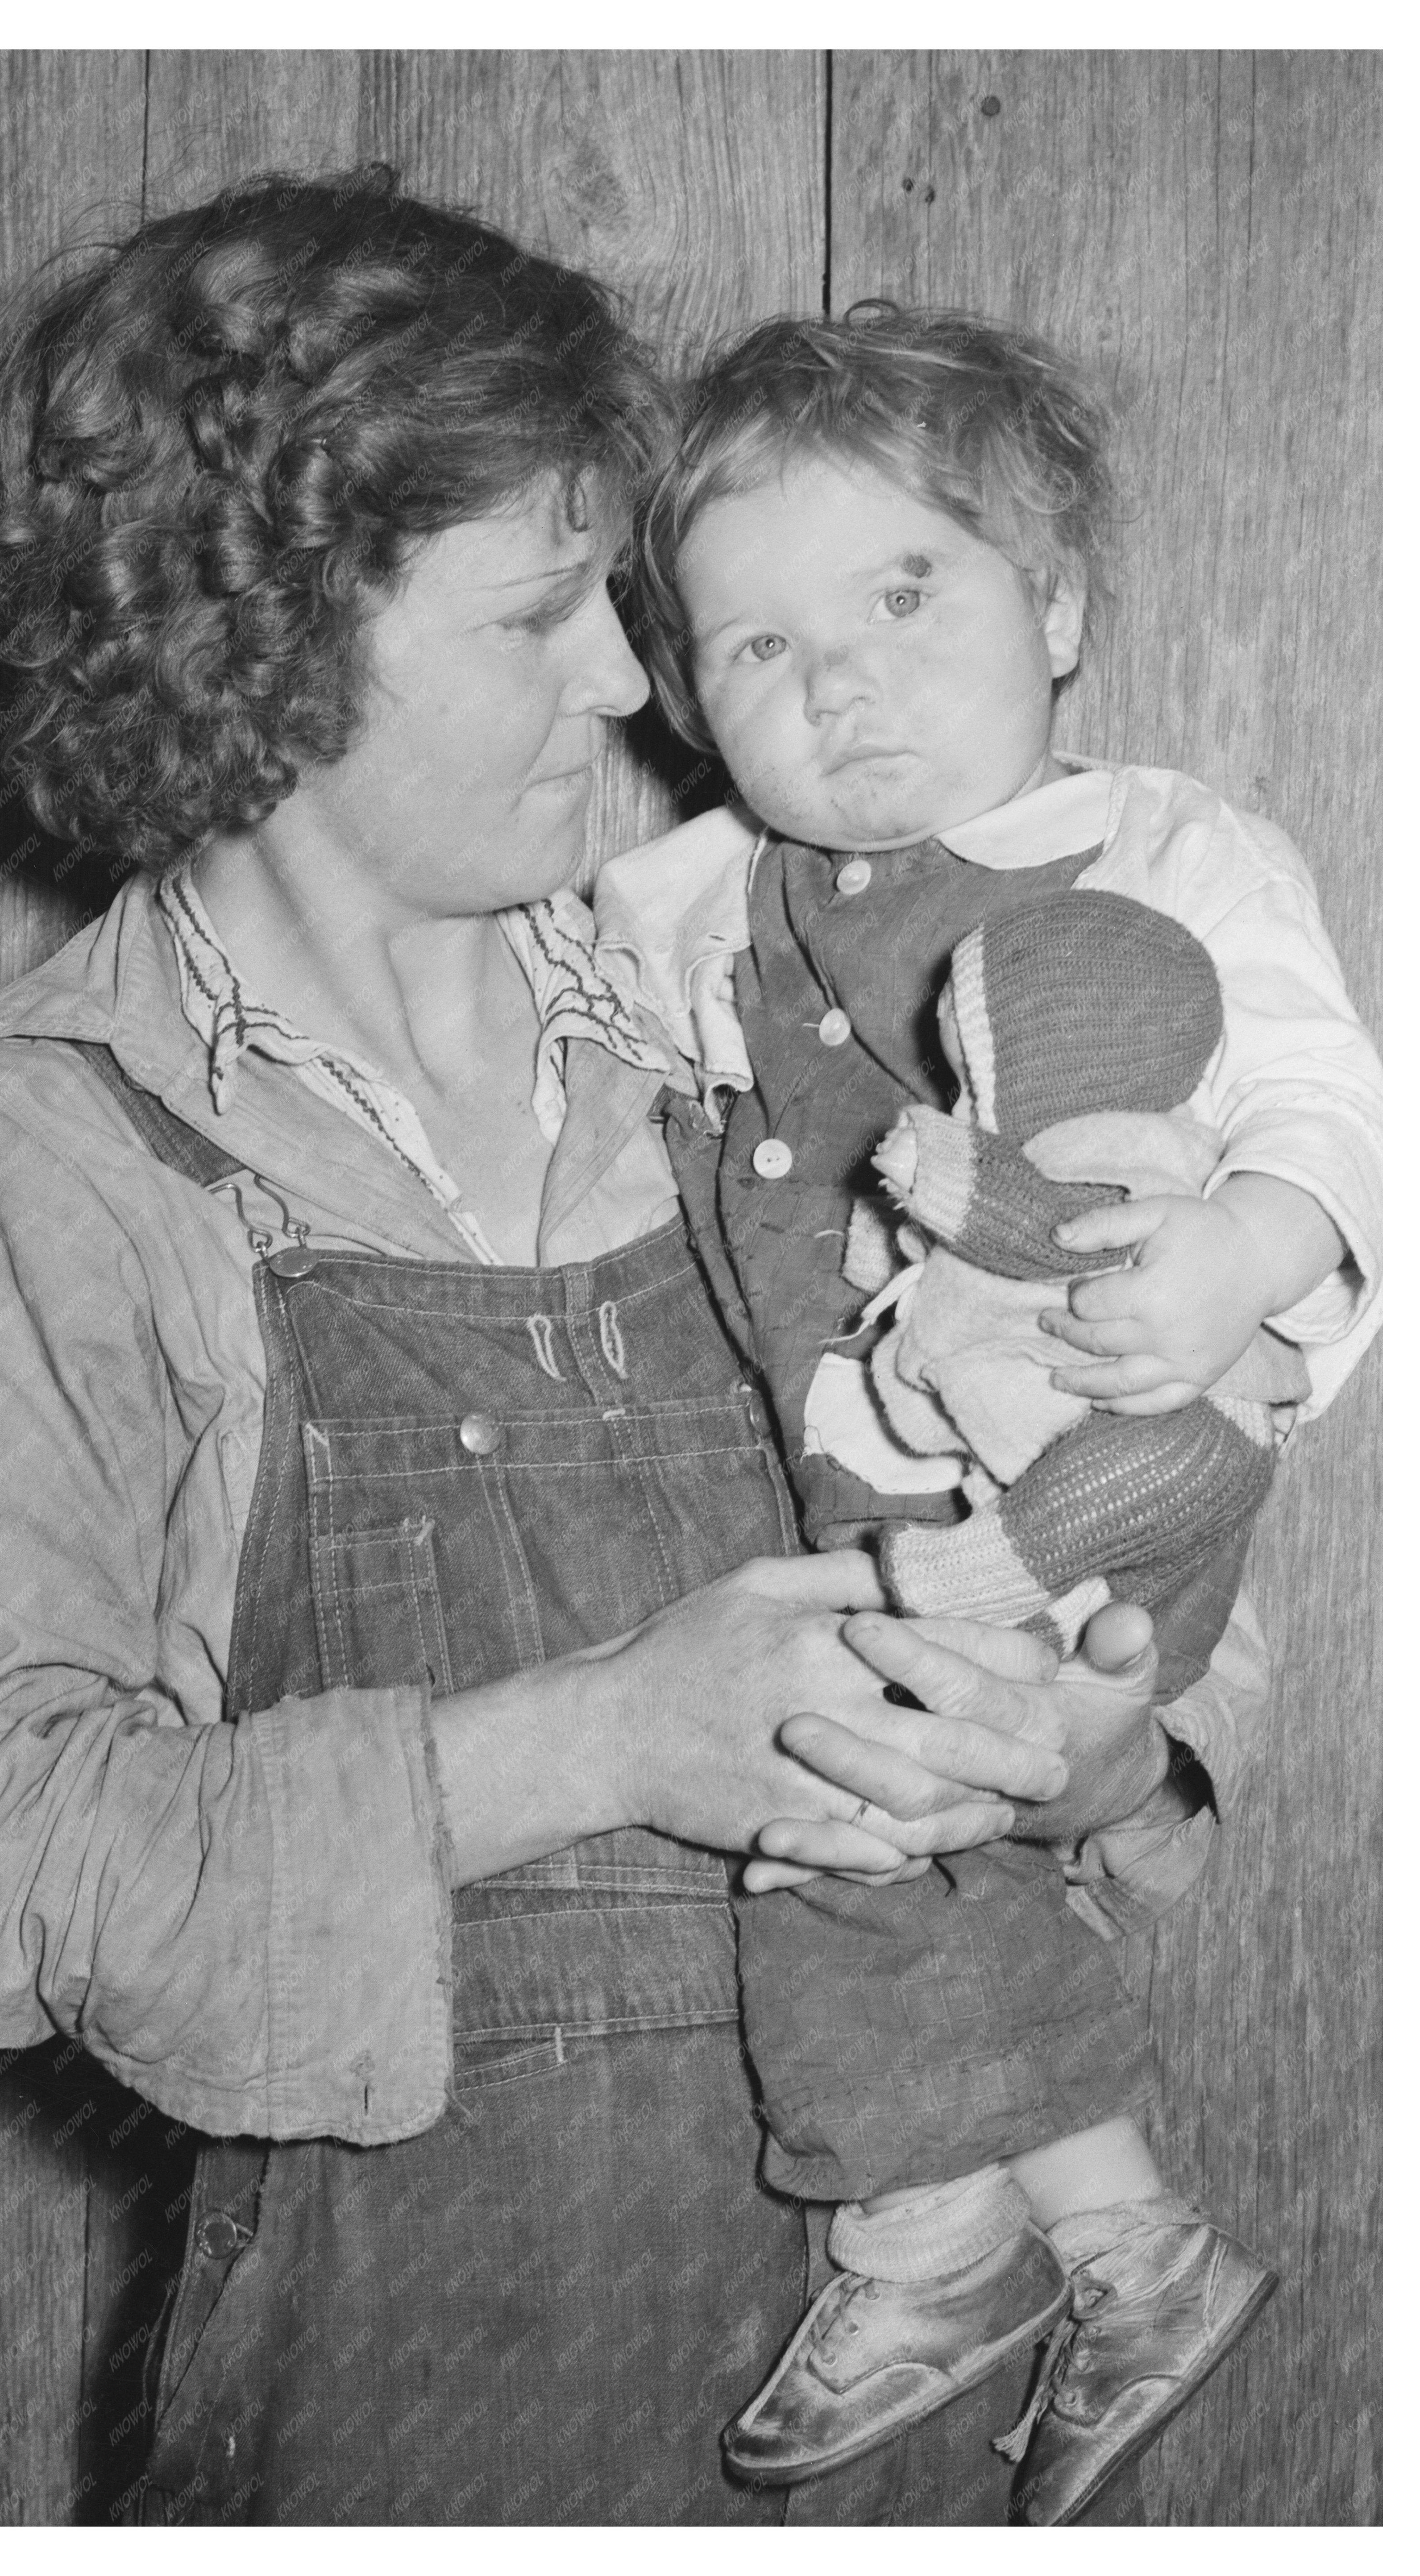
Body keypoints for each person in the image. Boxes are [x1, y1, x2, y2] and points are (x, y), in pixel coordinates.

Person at [0, 178, 1268, 2526]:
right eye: (534, 612)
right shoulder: (35, 1164)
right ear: (264, 651)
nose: (631, 684)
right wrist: (596, 1740)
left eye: (614, 594)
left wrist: (1108, 1755)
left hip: (936, 2431)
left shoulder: (764, 1005)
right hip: (419, 2433)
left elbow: (1157, 1474)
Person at [600, 304, 1380, 2523]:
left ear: (1056, 607)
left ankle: (935, 2239)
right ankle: (1102, 2239)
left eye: (903, 595)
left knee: (861, 1806)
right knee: (862, 1797)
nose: (837, 684)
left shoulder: (1165, 846)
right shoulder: (689, 899)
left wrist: (1244, 1246)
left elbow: (1331, 1101)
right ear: (690, 697)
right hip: (863, 1481)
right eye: (758, 647)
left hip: (1098, 1476)